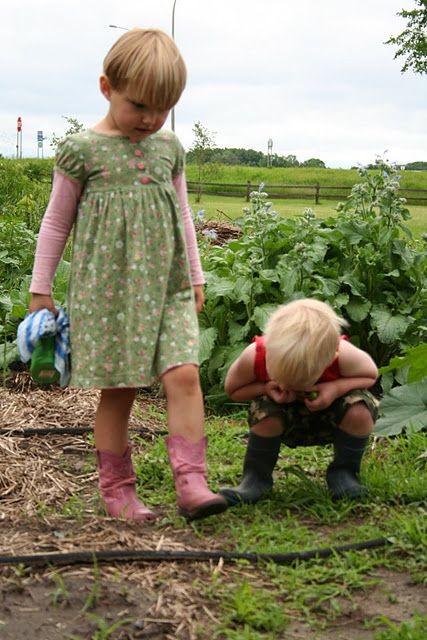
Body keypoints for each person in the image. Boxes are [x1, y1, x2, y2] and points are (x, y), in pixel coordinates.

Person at [28, 28, 227, 522]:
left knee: (185, 374)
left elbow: (182, 215)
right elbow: (56, 222)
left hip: (168, 287)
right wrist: (40, 289)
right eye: (140, 105)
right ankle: (118, 490)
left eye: (164, 107)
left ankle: (192, 483)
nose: (152, 119)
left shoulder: (169, 147)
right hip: (109, 293)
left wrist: (196, 277)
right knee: (121, 391)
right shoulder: (82, 151)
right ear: (106, 88)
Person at [220, 298, 379, 505]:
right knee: (265, 411)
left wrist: (334, 388)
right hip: (282, 418)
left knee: (360, 409)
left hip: (330, 417)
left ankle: (344, 473)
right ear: (271, 354)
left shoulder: (343, 354)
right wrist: (265, 388)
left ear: (331, 357)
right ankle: (255, 480)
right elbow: (233, 389)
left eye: (304, 380)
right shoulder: (256, 355)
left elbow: (371, 375)